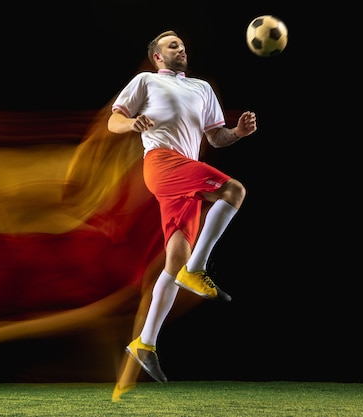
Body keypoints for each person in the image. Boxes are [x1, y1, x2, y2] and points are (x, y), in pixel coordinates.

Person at [107, 30, 257, 384]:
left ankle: (145, 343)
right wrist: (132, 123)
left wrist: (236, 132)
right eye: (172, 45)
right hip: (161, 162)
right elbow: (114, 121)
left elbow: (215, 136)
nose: (181, 48)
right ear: (157, 56)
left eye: (183, 44)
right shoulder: (146, 80)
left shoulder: (202, 88)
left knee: (174, 260)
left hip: (185, 170)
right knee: (233, 190)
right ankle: (199, 268)